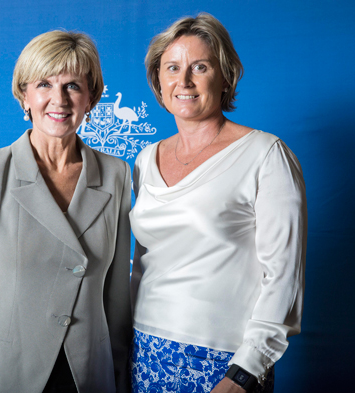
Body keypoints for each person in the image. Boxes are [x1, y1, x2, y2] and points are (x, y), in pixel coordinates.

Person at [0, 30, 132, 393]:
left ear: (90, 97)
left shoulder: (116, 175)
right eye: (44, 83)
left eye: (73, 85)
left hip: (90, 373)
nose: (58, 100)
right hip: (9, 372)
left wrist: (120, 379)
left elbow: (117, 296)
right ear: (23, 96)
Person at [129, 13, 307, 393]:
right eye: (172, 68)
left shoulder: (265, 154)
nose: (184, 81)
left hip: (225, 360)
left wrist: (246, 371)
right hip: (144, 350)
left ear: (225, 76)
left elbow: (284, 277)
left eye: (200, 67)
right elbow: (142, 266)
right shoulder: (145, 159)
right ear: (158, 82)